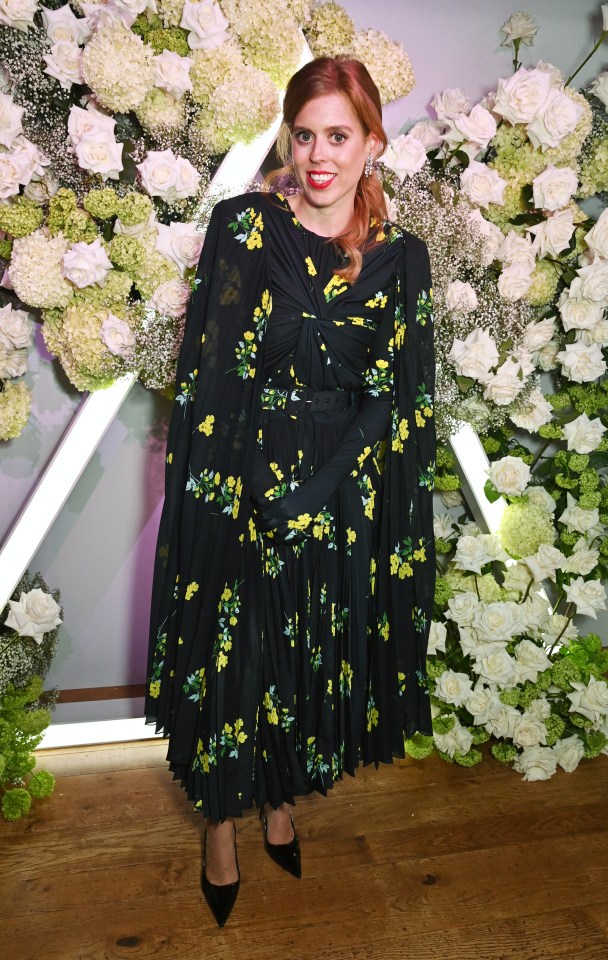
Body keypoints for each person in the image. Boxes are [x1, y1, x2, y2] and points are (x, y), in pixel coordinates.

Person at [145, 55, 436, 927]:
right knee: (238, 661)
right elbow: (208, 374)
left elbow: (402, 396)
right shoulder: (243, 228)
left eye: (338, 136)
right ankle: (222, 828)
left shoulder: (400, 258)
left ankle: (283, 803)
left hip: (339, 490)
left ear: (372, 144)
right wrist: (229, 497)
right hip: (241, 479)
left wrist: (320, 487)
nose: (318, 154)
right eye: (303, 133)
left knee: (312, 650)